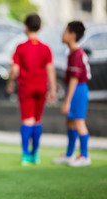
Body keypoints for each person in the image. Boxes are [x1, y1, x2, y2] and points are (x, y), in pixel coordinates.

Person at [6, 13, 56, 166]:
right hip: (41, 87)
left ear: (25, 27)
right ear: (40, 27)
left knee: (27, 120)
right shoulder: (46, 49)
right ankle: (35, 154)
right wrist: (53, 88)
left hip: (26, 87)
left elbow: (14, 69)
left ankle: (25, 154)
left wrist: (9, 82)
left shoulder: (20, 48)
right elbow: (50, 69)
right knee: (37, 120)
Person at [53, 21, 91, 167]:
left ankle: (84, 155)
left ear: (72, 35)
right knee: (70, 121)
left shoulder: (76, 54)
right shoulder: (73, 53)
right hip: (76, 88)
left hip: (78, 89)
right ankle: (69, 154)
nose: (62, 35)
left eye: (65, 31)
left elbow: (75, 79)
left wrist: (67, 101)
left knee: (79, 122)